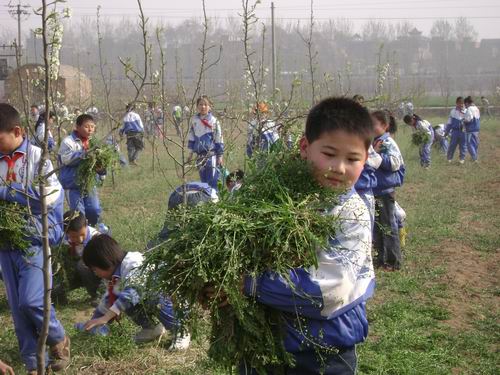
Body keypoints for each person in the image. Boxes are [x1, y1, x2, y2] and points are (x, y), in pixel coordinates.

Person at [231, 97, 375, 374]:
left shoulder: (351, 213)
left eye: (352, 159)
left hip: (323, 350)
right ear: (304, 147)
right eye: (329, 154)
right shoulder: (280, 195)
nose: (340, 167)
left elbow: (329, 289)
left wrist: (250, 284)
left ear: (365, 159)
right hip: (265, 343)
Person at [0, 103, 70, 373]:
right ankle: (32, 362)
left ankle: (58, 338)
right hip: (6, 243)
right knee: (18, 309)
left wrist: (8, 192)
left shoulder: (38, 158)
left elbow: (48, 198)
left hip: (33, 240)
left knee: (32, 301)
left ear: (16, 131)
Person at [78, 234, 190, 349]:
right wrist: (95, 321)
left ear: (104, 262)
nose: (95, 274)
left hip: (175, 300)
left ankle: (180, 329)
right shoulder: (116, 274)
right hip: (153, 296)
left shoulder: (133, 263)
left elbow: (133, 293)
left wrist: (106, 317)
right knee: (122, 300)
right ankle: (151, 328)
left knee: (149, 297)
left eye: (95, 270)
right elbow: (109, 300)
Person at [372, 110, 405, 271]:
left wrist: (376, 157)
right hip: (376, 190)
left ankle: (393, 261)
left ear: (384, 126)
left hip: (385, 191)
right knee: (377, 226)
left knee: (389, 226)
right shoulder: (375, 141)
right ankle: (380, 258)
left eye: (374, 124)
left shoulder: (387, 143)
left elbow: (394, 163)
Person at [58, 114, 102, 226]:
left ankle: (91, 230)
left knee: (94, 210)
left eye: (92, 126)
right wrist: (84, 154)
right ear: (77, 127)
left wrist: (101, 168)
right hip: (72, 184)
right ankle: (82, 236)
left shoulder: (94, 142)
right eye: (87, 126)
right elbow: (66, 159)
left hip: (89, 183)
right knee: (79, 213)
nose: (90, 129)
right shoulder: (68, 141)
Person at [52, 210, 104, 306]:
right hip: (74, 274)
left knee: (82, 265)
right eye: (74, 236)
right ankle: (60, 298)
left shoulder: (96, 239)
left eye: (82, 235)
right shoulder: (62, 240)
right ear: (66, 232)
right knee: (53, 291)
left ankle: (99, 295)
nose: (79, 239)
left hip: (95, 275)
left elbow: (105, 266)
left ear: (86, 225)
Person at [187, 96, 224, 190]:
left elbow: (218, 138)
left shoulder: (214, 121)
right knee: (203, 181)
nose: (203, 107)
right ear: (197, 106)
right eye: (200, 104)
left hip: (211, 155)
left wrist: (220, 155)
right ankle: (207, 200)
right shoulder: (194, 120)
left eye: (205, 104)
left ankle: (214, 200)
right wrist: (190, 153)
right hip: (200, 156)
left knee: (212, 180)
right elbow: (191, 137)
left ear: (210, 107)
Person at [444, 96, 466, 164]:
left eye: (462, 103)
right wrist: (447, 131)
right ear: (456, 103)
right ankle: (449, 158)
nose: (461, 105)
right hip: (455, 131)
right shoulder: (453, 111)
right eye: (459, 103)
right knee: (452, 145)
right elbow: (449, 122)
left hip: (463, 131)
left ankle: (462, 159)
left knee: (463, 145)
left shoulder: (466, 111)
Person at [464, 96, 480, 162]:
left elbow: (469, 119)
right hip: (476, 129)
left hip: (471, 129)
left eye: (465, 104)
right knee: (475, 144)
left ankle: (474, 158)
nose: (465, 106)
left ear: (467, 103)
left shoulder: (469, 109)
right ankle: (475, 157)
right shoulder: (476, 108)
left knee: (469, 144)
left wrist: (463, 121)